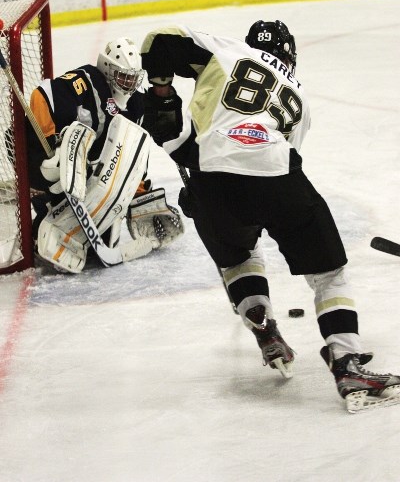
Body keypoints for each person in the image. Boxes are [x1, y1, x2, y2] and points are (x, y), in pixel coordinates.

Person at [139, 21, 400, 412]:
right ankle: (347, 363)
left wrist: (161, 93)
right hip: (275, 174)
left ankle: (264, 327)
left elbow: (158, 41)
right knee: (328, 274)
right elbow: (286, 159)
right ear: (290, 55)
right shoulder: (299, 95)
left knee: (238, 257)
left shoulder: (226, 51)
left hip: (211, 181)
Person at [27, 37, 183, 273]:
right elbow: (43, 95)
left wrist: (137, 192)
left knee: (97, 238)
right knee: (55, 198)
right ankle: (40, 230)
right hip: (42, 156)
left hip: (84, 170)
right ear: (108, 69)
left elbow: (130, 152)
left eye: (133, 78)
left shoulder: (135, 105)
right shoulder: (85, 80)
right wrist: (52, 143)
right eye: (123, 77)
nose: (129, 84)